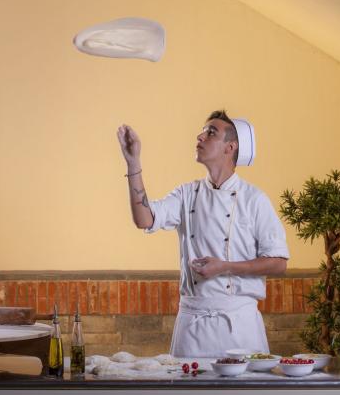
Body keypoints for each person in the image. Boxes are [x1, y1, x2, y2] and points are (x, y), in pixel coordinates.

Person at [117, 110, 289, 357]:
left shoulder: (255, 200)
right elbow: (144, 219)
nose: (199, 136)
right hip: (192, 328)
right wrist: (133, 163)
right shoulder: (187, 194)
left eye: (210, 133)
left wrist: (225, 267)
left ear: (230, 147)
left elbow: (279, 264)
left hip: (240, 328)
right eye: (202, 131)